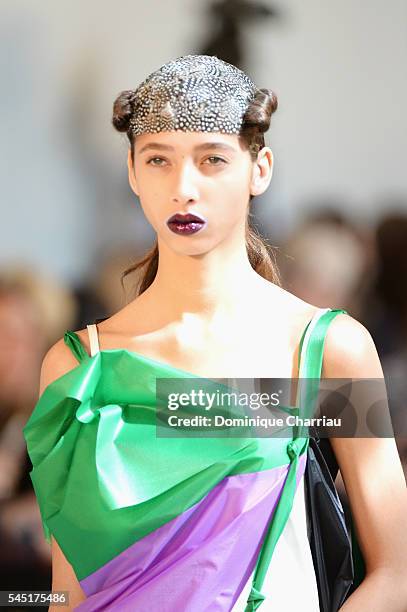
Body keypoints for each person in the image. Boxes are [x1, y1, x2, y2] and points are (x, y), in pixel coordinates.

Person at [23, 55, 407, 611]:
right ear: (132, 171)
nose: (183, 188)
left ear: (260, 169)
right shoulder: (81, 367)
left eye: (212, 160)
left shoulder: (324, 351)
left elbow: (396, 570)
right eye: (158, 159)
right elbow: (68, 589)